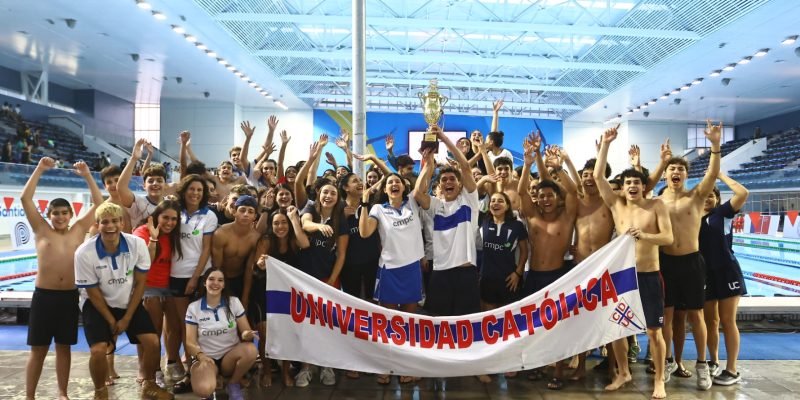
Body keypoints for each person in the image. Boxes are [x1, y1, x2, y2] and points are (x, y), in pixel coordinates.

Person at [594, 125, 673, 399]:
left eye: (636, 182)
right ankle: (623, 372)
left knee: (654, 331)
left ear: (643, 186)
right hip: (623, 277)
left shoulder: (656, 206)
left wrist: (646, 236)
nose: (631, 186)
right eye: (627, 183)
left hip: (649, 275)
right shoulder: (618, 206)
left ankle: (660, 380)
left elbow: (668, 238)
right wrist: (605, 145)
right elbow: (597, 177)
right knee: (616, 328)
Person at [23, 157, 103, 400]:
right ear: (49, 214)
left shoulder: (78, 229)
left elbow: (100, 203)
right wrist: (40, 169)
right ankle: (29, 396)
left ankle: (62, 392)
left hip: (68, 297)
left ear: (71, 214)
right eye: (55, 213)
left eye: (64, 212)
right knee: (38, 350)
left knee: (63, 347)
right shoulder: (40, 229)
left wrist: (88, 175)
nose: (59, 217)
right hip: (43, 297)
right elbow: (25, 199)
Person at [75, 202, 173, 400]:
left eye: (115, 221)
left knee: (152, 342)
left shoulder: (136, 244)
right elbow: (92, 293)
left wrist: (127, 317)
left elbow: (140, 283)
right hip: (97, 304)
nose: (110, 226)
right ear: (97, 225)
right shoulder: (84, 253)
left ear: (122, 222)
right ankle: (100, 392)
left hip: (128, 301)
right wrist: (111, 321)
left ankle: (149, 384)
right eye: (105, 222)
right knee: (98, 350)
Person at [659, 120, 722, 390]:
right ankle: (667, 361)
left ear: (686, 175)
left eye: (680, 169)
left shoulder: (696, 197)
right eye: (672, 168)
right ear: (665, 174)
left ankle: (702, 365)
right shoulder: (657, 201)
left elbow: (712, 175)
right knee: (667, 315)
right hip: (665, 263)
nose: (676, 171)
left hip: (692, 263)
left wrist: (715, 146)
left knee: (697, 315)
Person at [516, 134, 578, 388]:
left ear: (557, 198)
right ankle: (535, 366)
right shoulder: (532, 215)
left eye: (550, 196)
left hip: (557, 276)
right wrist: (529, 163)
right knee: (533, 325)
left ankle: (558, 371)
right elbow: (521, 191)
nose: (545, 199)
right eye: (541, 196)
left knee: (558, 327)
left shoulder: (567, 216)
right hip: (534, 277)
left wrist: (559, 167)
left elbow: (574, 191)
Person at [168, 175, 217, 392]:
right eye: (191, 189)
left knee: (200, 327)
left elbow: (206, 250)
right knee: (183, 325)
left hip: (199, 276)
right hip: (176, 274)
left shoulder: (209, 216)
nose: (195, 193)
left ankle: (204, 371)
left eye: (199, 190)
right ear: (184, 190)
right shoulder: (174, 211)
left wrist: (196, 278)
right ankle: (188, 372)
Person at [251, 206, 309, 386]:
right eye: (276, 223)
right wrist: (260, 264)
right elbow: (256, 266)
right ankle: (267, 371)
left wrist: (293, 219)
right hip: (264, 292)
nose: (280, 227)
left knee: (286, 334)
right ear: (271, 225)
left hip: (286, 294)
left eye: (283, 223)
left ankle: (285, 371)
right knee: (265, 335)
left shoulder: (293, 241)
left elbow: (305, 244)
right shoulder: (266, 241)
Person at [701, 172, 749, 385]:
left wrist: (719, 175)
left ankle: (732, 370)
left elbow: (743, 192)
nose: (708, 199)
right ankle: (713, 362)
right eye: (704, 195)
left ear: (718, 199)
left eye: (712, 195)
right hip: (706, 274)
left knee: (728, 320)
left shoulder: (723, 213)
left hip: (727, 271)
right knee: (711, 321)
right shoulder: (693, 217)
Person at [131, 199, 183, 388]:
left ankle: (171, 361)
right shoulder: (142, 232)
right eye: (165, 218)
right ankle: (148, 369)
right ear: (156, 217)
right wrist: (153, 238)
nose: (170, 223)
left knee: (174, 327)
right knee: (151, 331)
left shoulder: (174, 235)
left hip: (169, 285)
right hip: (148, 287)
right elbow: (144, 263)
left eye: (174, 219)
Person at [185, 269, 258, 400]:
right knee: (204, 389)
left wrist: (248, 334)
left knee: (251, 350)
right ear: (204, 283)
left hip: (229, 358)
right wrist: (201, 357)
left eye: (220, 280)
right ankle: (211, 382)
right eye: (211, 279)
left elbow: (245, 331)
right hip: (206, 358)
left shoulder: (234, 302)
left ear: (224, 285)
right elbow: (190, 343)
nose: (215, 283)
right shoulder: (193, 308)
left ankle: (233, 383)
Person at [479, 192, 528, 310]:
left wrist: (518, 273)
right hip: (487, 279)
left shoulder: (517, 225)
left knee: (508, 318)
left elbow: (524, 251)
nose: (495, 203)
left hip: (509, 280)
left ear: (507, 206)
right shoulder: (483, 222)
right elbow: (473, 193)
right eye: (493, 201)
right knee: (488, 318)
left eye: (500, 201)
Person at [211, 195, 260, 305]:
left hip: (240, 279)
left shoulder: (255, 238)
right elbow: (216, 266)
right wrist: (218, 290)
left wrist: (245, 297)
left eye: (250, 211)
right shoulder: (221, 233)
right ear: (234, 212)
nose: (246, 214)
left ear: (255, 216)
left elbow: (249, 269)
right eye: (242, 210)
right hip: (219, 278)